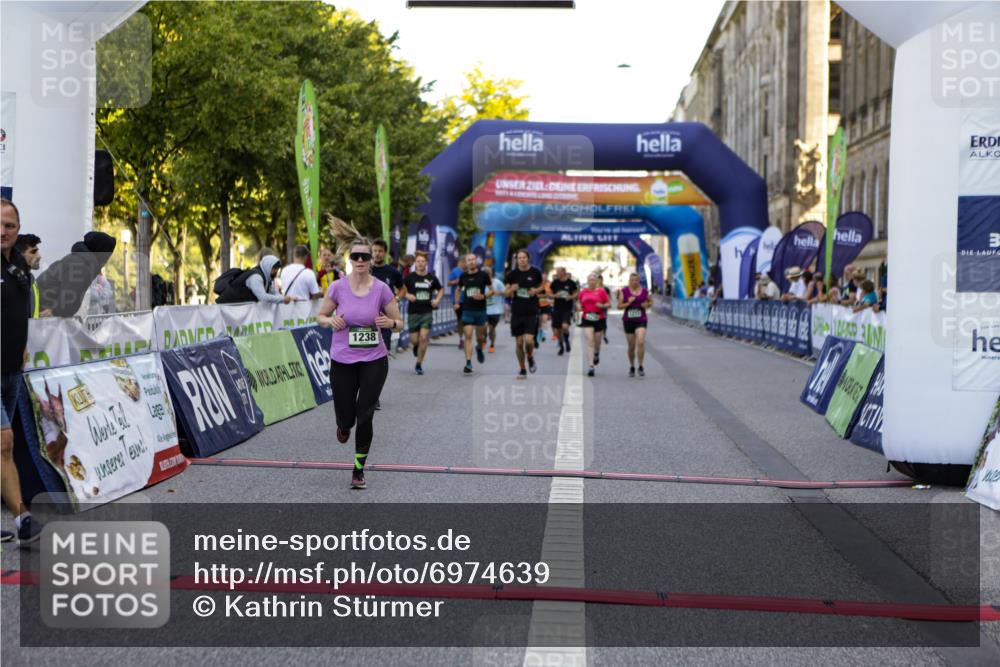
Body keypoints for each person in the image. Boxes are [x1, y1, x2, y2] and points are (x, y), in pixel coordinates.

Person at [317, 216, 403, 490]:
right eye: (356, 256)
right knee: (347, 417)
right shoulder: (338, 287)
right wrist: (331, 322)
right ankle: (343, 425)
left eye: (365, 256)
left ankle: (358, 469)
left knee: (365, 414)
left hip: (374, 360)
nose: (361, 260)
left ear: (370, 259)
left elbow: (399, 322)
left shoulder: (381, 289)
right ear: (350, 258)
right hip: (342, 360)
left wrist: (390, 323)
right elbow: (320, 315)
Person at [0, 199, 43, 543]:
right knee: (4, 441)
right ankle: (23, 520)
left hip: (12, 369)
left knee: (2, 448)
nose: (3, 231)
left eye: (9, 226)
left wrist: (23, 345)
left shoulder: (18, 264)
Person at [402, 251, 443, 375]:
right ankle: (416, 346)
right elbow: (401, 291)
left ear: (426, 263)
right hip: (413, 312)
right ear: (415, 263)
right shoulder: (409, 278)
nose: (420, 263)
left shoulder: (431, 278)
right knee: (415, 340)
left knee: (424, 338)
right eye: (418, 261)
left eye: (423, 261)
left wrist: (437, 300)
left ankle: (419, 364)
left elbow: (440, 289)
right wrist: (408, 295)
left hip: (427, 312)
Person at [504, 249, 543, 379]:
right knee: (519, 343)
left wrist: (536, 290)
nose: (522, 260)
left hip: (531, 311)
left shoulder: (535, 272)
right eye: (519, 258)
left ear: (528, 258)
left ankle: (530, 357)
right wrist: (511, 289)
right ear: (517, 260)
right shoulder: (512, 275)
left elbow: (542, 287)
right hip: (517, 312)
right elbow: (506, 293)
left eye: (524, 257)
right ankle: (522, 368)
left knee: (529, 341)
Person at [458, 253, 492, 374]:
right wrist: (457, 302)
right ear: (466, 263)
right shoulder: (463, 276)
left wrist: (483, 295)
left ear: (476, 261)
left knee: (480, 337)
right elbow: (458, 289)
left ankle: (479, 347)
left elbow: (492, 291)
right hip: (467, 309)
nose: (471, 262)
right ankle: (468, 363)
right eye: (469, 260)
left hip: (480, 310)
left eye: (473, 259)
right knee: (468, 335)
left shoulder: (484, 275)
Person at [370, 239, 404, 351]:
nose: (377, 253)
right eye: (374, 251)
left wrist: (396, 298)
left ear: (385, 253)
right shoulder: (366, 270)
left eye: (380, 251)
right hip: (367, 315)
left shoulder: (392, 271)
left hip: (385, 316)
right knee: (367, 350)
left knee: (383, 349)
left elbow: (402, 289)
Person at [216, 255, 294, 304]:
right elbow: (263, 298)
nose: (276, 271)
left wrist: (288, 298)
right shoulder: (256, 277)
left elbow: (272, 294)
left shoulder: (267, 278)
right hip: (226, 307)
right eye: (274, 269)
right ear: (268, 267)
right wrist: (282, 299)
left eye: (277, 269)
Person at [618, 272, 652, 378]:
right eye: (632, 280)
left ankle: (640, 366)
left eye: (636, 280)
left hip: (641, 319)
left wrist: (647, 304)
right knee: (631, 346)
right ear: (629, 281)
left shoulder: (645, 291)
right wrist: (628, 303)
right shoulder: (624, 291)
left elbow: (651, 302)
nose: (634, 282)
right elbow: (619, 306)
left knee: (641, 342)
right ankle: (632, 366)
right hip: (628, 321)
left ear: (639, 281)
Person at [578, 272, 611, 377]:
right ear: (587, 281)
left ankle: (596, 353)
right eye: (590, 280)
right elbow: (579, 302)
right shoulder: (583, 291)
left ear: (596, 281)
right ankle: (591, 366)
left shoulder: (601, 292)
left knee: (597, 342)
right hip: (587, 318)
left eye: (593, 280)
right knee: (590, 341)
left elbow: (609, 303)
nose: (591, 282)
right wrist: (578, 306)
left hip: (599, 318)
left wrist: (602, 306)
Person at [549, 266, 578, 356]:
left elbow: (576, 293)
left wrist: (571, 297)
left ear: (564, 272)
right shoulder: (555, 283)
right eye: (556, 272)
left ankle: (566, 341)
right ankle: (561, 346)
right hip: (557, 308)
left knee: (565, 327)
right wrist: (554, 296)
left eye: (558, 272)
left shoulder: (571, 283)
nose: (557, 273)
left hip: (567, 309)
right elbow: (549, 294)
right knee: (557, 331)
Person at [485, 266, 505, 354]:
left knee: (492, 328)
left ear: (491, 273)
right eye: (484, 273)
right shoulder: (480, 283)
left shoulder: (497, 283)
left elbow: (506, 292)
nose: (486, 275)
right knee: (484, 327)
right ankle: (484, 339)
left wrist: (498, 293)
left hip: (495, 310)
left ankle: (492, 345)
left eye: (488, 273)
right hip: (483, 310)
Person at [448, 258, 466, 350]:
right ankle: (461, 338)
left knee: (467, 319)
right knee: (460, 319)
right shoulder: (455, 271)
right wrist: (456, 281)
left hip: (469, 300)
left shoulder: (470, 272)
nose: (466, 264)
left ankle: (467, 336)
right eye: (465, 262)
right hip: (458, 300)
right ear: (461, 262)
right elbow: (448, 283)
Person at [536, 275, 553, 346]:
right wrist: (544, 295)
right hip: (537, 305)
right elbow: (535, 295)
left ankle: (544, 335)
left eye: (545, 278)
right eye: (542, 278)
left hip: (546, 305)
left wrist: (546, 295)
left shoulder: (548, 285)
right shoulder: (537, 285)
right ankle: (539, 333)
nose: (543, 279)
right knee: (539, 322)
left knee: (544, 320)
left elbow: (550, 295)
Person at [596, 274, 612, 344]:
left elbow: (609, 298)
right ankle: (596, 334)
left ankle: (604, 335)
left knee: (604, 322)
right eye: (598, 280)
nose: (599, 281)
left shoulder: (606, 289)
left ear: (602, 280)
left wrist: (607, 304)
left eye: (600, 280)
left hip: (603, 308)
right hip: (595, 308)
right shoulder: (593, 288)